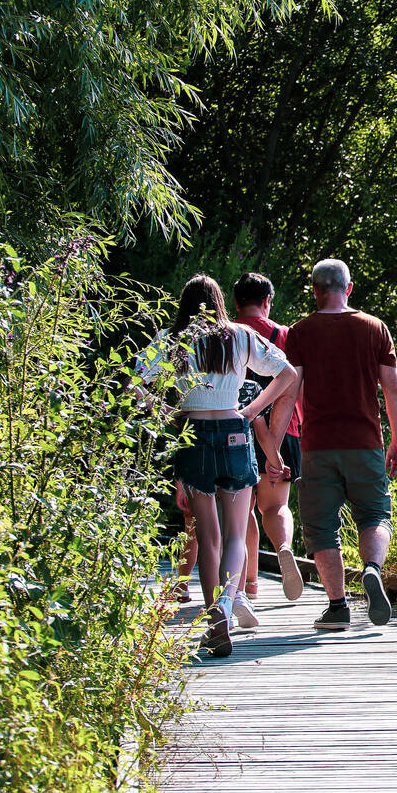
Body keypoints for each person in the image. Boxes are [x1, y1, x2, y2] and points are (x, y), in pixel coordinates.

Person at [138, 275, 298, 657]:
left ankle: (214, 618)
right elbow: (288, 373)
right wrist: (253, 409)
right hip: (234, 430)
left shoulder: (173, 338)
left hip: (192, 433)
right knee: (235, 536)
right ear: (220, 302)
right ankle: (227, 605)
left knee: (207, 536)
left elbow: (136, 384)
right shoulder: (241, 336)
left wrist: (167, 413)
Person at [275, 258, 397, 630]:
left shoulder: (299, 332)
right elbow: (393, 388)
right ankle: (371, 569)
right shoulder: (374, 328)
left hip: (317, 446)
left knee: (320, 526)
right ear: (348, 289)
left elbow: (288, 394)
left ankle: (337, 607)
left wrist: (273, 445)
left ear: (315, 291)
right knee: (375, 515)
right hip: (365, 443)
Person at [231, 272, 307, 602]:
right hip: (285, 431)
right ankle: (285, 548)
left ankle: (249, 584)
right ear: (267, 302)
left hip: (235, 432)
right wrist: (275, 446)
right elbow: (294, 390)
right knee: (275, 507)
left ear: (235, 303)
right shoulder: (286, 337)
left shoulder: (227, 335)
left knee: (243, 511)